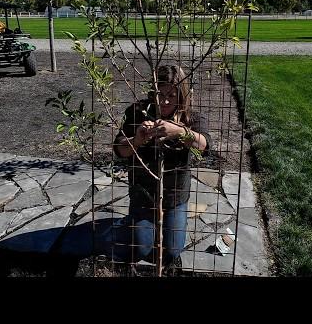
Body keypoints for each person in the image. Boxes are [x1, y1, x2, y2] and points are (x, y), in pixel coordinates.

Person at [58, 64, 210, 274]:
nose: (164, 101)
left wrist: (179, 131)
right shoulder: (139, 112)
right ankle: (126, 229)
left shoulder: (191, 118)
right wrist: (137, 139)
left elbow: (204, 146)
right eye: (160, 94)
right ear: (152, 92)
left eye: (172, 95)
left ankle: (142, 229)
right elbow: (120, 150)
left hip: (175, 196)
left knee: (171, 253)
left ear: (181, 95)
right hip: (143, 195)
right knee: (140, 246)